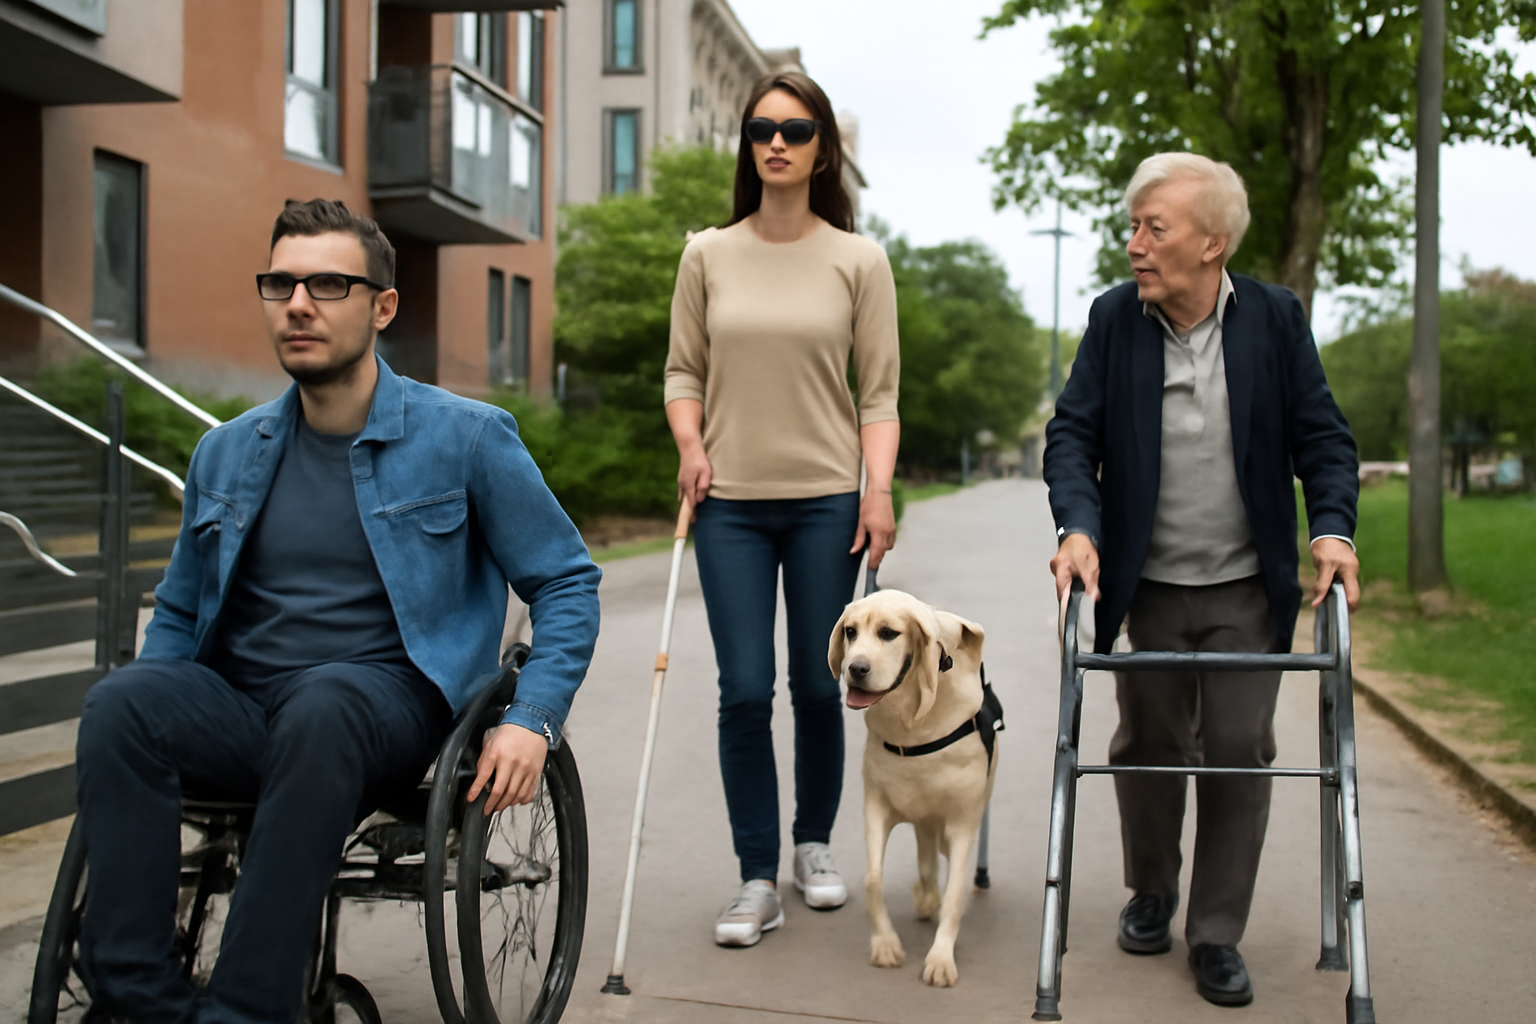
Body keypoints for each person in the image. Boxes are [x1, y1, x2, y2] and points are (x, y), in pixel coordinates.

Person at [73, 199, 602, 1024]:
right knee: (121, 704)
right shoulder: (224, 451)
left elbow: (566, 582)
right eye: (280, 284)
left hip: (383, 706)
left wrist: (532, 717)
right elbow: (177, 611)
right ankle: (140, 1001)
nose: (298, 305)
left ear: (382, 307)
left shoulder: (465, 438)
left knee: (323, 707)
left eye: (327, 285)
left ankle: (245, 1011)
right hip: (245, 706)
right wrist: (162, 701)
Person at [1043, 153, 1360, 1007]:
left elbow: (1324, 438)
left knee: (1237, 748)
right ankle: (1151, 890)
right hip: (1146, 582)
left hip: (1244, 584)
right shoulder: (1115, 319)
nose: (1135, 244)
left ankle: (1215, 931)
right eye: (1133, 226)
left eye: (1156, 228)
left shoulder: (1274, 318)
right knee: (1149, 745)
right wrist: (1078, 529)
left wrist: (1333, 532)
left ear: (1212, 243)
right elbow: (1072, 436)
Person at [664, 71, 900, 948]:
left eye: (796, 130)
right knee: (743, 690)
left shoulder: (859, 260)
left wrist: (878, 489)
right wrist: (691, 445)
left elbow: (879, 395)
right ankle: (756, 876)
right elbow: (683, 371)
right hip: (728, 503)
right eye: (762, 128)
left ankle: (814, 845)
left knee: (819, 683)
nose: (776, 142)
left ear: (821, 149)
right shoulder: (706, 253)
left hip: (828, 501)